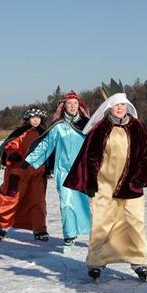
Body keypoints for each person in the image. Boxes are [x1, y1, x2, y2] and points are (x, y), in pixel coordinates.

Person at [64, 92, 147, 281]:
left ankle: (138, 260)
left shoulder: (137, 126)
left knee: (134, 221)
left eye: (123, 106)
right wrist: (91, 182)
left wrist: (140, 177)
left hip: (131, 184)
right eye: (116, 105)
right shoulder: (100, 128)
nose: (120, 109)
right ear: (109, 107)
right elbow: (90, 157)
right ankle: (96, 261)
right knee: (102, 222)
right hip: (104, 185)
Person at [25, 91, 92, 246]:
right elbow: (45, 145)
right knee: (66, 201)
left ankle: (89, 231)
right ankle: (69, 234)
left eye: (75, 103)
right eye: (69, 103)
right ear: (64, 106)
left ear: (79, 106)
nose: (72, 106)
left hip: (82, 170)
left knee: (83, 201)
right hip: (63, 170)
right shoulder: (58, 127)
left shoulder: (88, 125)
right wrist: (30, 160)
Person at [0, 108, 50, 241]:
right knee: (11, 197)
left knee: (37, 201)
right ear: (28, 119)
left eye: (38, 118)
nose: (35, 120)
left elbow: (50, 150)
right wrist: (13, 154)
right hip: (18, 171)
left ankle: (39, 229)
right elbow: (10, 145)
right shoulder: (20, 133)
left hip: (38, 173)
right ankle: (3, 225)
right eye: (33, 118)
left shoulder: (45, 134)